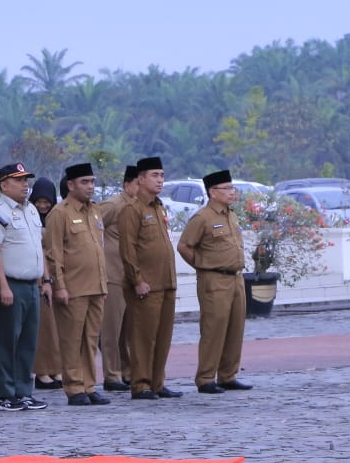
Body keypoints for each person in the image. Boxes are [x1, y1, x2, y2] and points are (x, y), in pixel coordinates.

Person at [177, 169, 253, 394]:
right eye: (227, 188)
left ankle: (228, 375)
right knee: (214, 328)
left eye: (232, 188)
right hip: (214, 278)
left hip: (236, 278)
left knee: (235, 328)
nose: (232, 193)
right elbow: (184, 246)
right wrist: (203, 265)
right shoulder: (202, 217)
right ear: (212, 192)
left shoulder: (231, 214)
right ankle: (206, 377)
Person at [43, 162, 110, 406]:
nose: (90, 187)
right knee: (72, 340)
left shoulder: (95, 210)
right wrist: (59, 285)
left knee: (90, 339)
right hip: (72, 288)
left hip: (95, 286)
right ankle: (73, 387)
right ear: (70, 185)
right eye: (85, 182)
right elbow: (54, 253)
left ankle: (89, 385)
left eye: (92, 182)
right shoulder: (60, 213)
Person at [0, 162, 49, 412]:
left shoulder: (31, 210)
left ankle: (24, 390)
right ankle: (6, 392)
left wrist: (44, 280)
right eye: (19, 180)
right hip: (10, 283)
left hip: (31, 283)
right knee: (6, 340)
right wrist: (2, 286)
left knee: (27, 341)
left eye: (26, 180)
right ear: (4, 185)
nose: (25, 185)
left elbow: (37, 247)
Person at [119, 155, 181, 400]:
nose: (160, 180)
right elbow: (128, 249)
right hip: (146, 285)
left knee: (163, 336)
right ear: (141, 179)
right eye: (154, 175)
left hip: (165, 282)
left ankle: (157, 381)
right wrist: (137, 280)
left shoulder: (159, 207)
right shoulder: (132, 210)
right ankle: (141, 383)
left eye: (162, 175)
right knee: (143, 337)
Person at [96, 164, 137, 392]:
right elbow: (92, 227)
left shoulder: (141, 208)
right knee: (111, 330)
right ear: (128, 185)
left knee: (129, 330)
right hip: (112, 274)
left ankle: (128, 371)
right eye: (138, 184)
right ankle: (111, 375)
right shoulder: (113, 205)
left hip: (131, 277)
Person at [29, 177, 62, 392]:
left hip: (58, 276)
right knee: (42, 329)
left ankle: (56, 368)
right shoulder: (30, 218)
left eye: (46, 201)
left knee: (57, 329)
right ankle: (41, 371)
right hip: (41, 278)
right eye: (38, 201)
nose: (42, 206)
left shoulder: (57, 218)